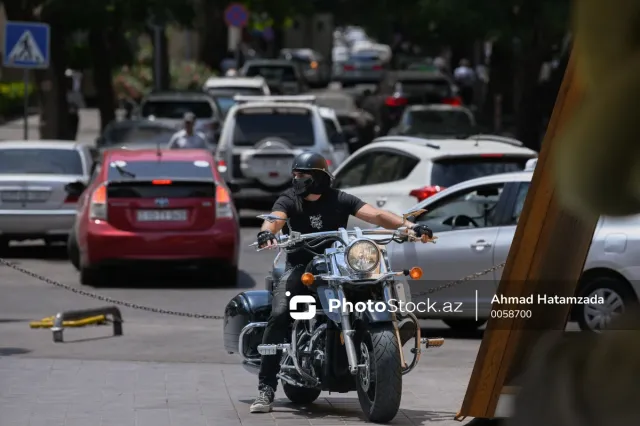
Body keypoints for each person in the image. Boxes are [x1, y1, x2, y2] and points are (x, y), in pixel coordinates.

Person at [249, 151, 434, 413]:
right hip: (302, 266)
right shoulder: (289, 200)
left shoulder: (340, 199)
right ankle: (265, 388)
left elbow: (377, 216)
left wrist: (409, 227)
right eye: (295, 175)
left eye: (303, 175)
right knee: (280, 314)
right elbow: (274, 219)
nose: (297, 180)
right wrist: (266, 234)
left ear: (319, 177)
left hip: (340, 263)